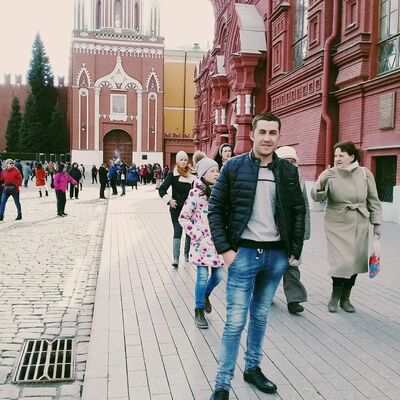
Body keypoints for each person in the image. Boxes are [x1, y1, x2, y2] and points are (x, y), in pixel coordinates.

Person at [208, 113, 306, 399]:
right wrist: (226, 251)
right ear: (251, 134)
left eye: (273, 133)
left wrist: (293, 251)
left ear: (279, 136)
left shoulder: (288, 171)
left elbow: (298, 211)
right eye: (262, 132)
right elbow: (215, 209)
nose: (267, 138)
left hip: (275, 257)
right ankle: (222, 384)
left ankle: (252, 368)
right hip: (243, 254)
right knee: (235, 321)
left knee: (260, 316)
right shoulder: (233, 167)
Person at [311, 140, 382, 313]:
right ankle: (335, 296)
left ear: (351, 156)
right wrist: (323, 181)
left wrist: (377, 223)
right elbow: (316, 197)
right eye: (335, 155)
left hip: (359, 222)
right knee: (340, 262)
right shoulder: (329, 173)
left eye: (341, 155)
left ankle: (346, 298)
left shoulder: (365, 173)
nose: (337, 159)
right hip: (336, 222)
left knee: (355, 261)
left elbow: (373, 200)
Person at [179, 158, 224, 329]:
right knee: (202, 276)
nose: (216, 174)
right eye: (212, 171)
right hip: (201, 244)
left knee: (218, 276)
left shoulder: (221, 191)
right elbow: (183, 217)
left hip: (217, 243)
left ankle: (205, 295)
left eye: (217, 170)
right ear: (203, 173)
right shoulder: (195, 193)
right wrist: (197, 235)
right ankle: (199, 310)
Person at [276, 146, 311, 314]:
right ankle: (265, 294)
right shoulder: (271, 177)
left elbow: (304, 206)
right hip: (274, 229)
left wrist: (305, 232)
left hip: (292, 230)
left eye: (292, 161)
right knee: (270, 265)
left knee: (292, 264)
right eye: (286, 161)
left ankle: (294, 299)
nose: (290, 164)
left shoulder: (299, 178)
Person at [159, 151, 195, 267]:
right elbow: (162, 189)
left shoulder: (192, 175)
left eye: (185, 160)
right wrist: (169, 200)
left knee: (189, 232)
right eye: (181, 160)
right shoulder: (172, 175)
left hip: (189, 209)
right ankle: (175, 258)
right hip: (176, 208)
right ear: (177, 161)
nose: (183, 162)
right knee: (178, 230)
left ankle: (187, 254)